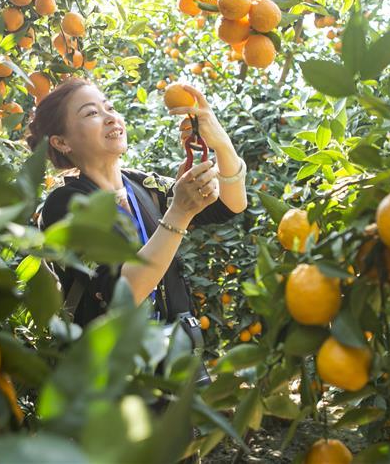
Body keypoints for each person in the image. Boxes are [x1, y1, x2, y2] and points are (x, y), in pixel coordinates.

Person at [26, 77, 248, 329]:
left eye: (109, 107)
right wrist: (179, 212)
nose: (110, 117)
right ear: (61, 142)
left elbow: (231, 205)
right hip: (116, 362)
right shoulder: (64, 205)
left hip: (176, 354)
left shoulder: (144, 186)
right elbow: (123, 294)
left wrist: (221, 143)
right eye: (91, 113)